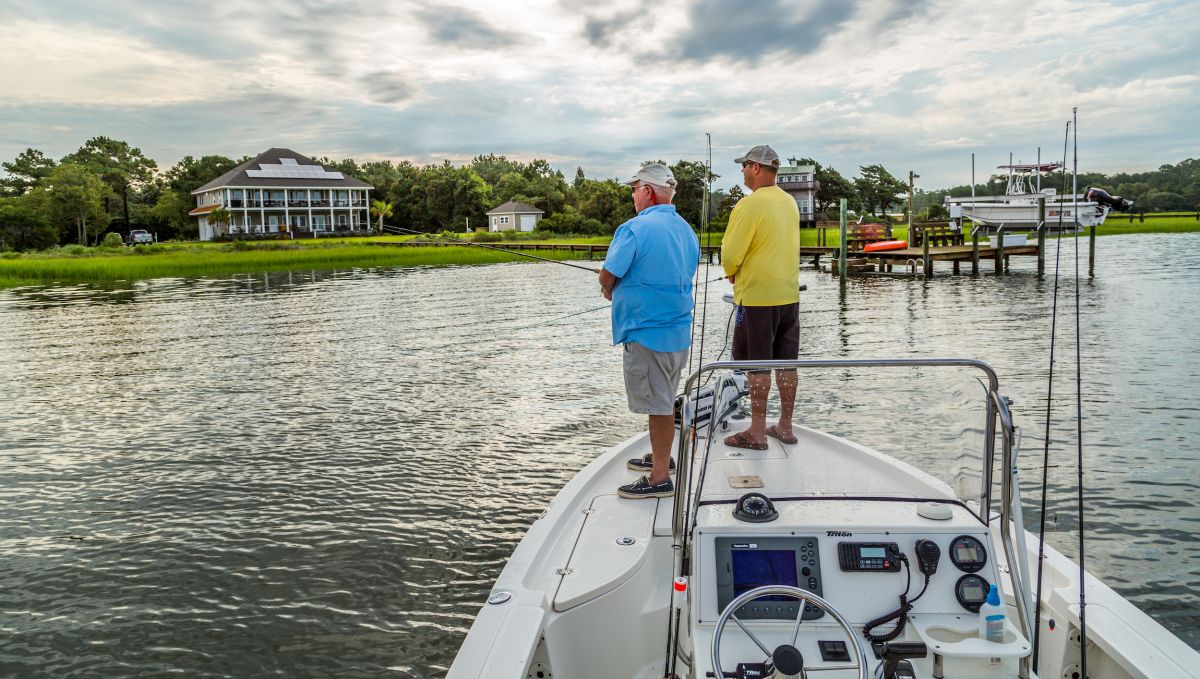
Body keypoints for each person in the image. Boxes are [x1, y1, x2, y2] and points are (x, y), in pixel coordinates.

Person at [599, 162, 700, 499]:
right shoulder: (686, 230)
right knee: (665, 398)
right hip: (678, 332)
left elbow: (608, 276)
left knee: (657, 405)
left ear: (648, 191)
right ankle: (662, 459)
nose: (632, 195)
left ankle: (659, 478)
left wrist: (610, 289)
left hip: (646, 333)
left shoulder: (633, 229)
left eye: (634, 189)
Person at [720, 145, 801, 450]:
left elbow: (730, 254)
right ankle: (785, 425)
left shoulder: (749, 205)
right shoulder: (790, 203)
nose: (741, 171)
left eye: (744, 166)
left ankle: (756, 431)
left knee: (757, 364)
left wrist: (731, 270)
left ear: (756, 167)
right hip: (789, 296)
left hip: (756, 299)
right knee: (787, 363)